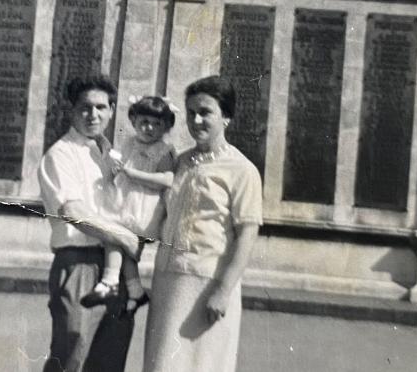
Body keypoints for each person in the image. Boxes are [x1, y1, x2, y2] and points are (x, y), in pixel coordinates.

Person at [143, 76, 263, 372]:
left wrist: (222, 291)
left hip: (208, 286)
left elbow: (247, 235)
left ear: (227, 117)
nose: (196, 120)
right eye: (192, 112)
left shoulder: (242, 170)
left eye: (206, 112)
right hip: (169, 283)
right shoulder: (178, 162)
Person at [38, 75, 143, 372]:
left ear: (111, 111)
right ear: (71, 110)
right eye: (85, 107)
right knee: (71, 355)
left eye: (101, 107)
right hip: (78, 264)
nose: (93, 115)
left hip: (116, 267)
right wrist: (125, 237)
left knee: (110, 360)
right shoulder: (60, 154)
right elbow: (74, 211)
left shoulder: (112, 155)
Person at [81, 95, 178, 313]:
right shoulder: (129, 143)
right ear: (133, 121)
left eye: (157, 124)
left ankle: (110, 281)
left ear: (166, 126)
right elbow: (121, 166)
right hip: (123, 201)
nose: (149, 128)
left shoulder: (164, 150)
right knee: (116, 240)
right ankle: (134, 291)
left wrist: (134, 174)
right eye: (144, 122)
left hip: (143, 208)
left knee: (124, 245)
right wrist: (115, 168)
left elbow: (167, 180)